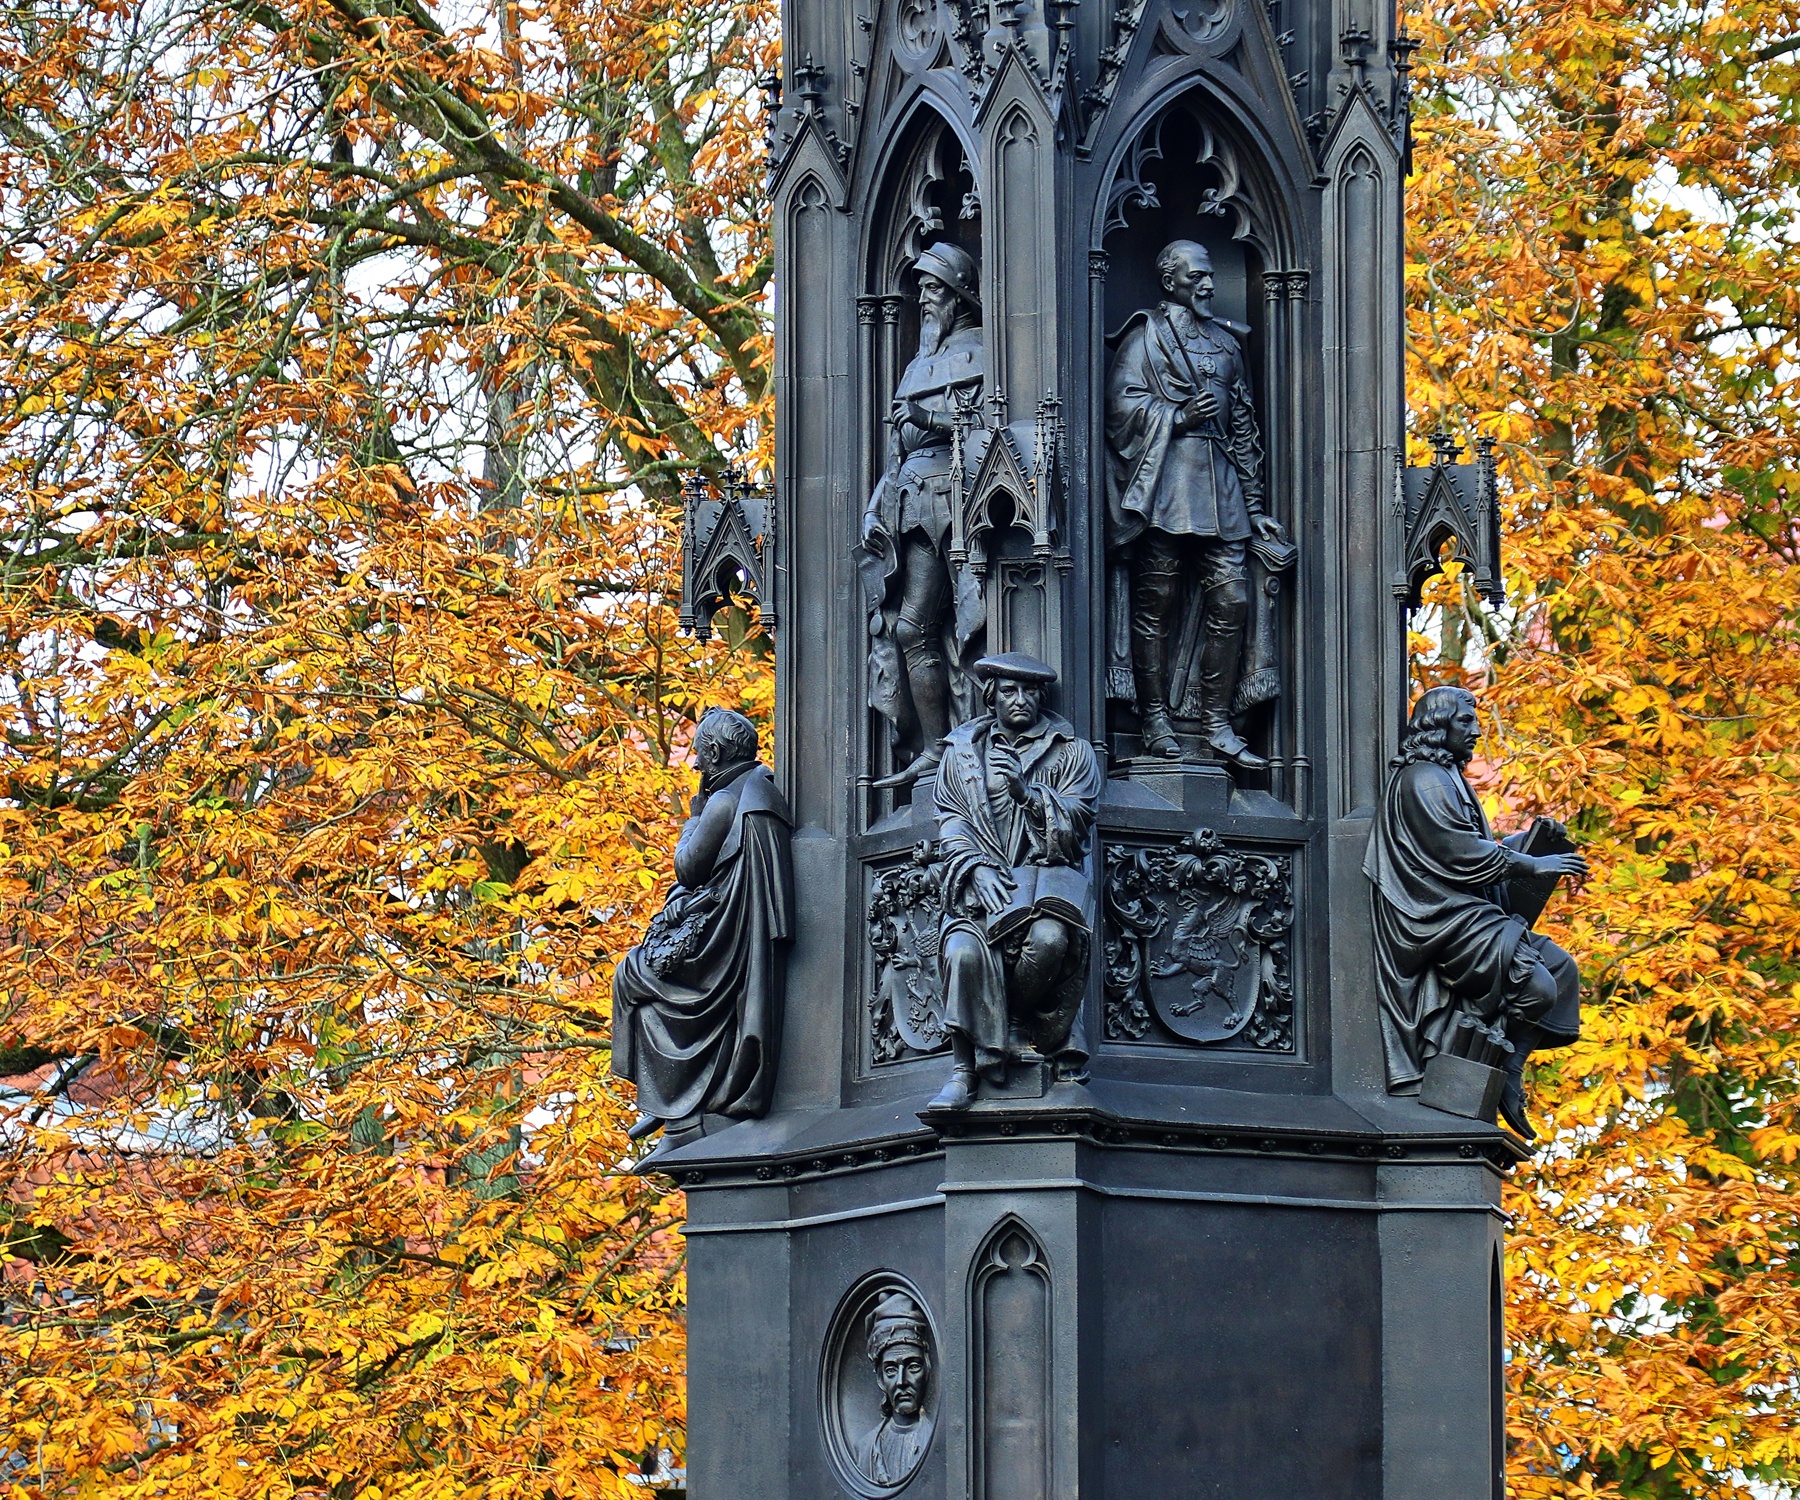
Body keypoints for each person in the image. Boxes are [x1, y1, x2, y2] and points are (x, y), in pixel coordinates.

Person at [1363, 687, 1588, 1139]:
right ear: (1437, 724)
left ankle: (1508, 1070)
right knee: (1537, 986)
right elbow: (1461, 854)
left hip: (1465, 908)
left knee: (1562, 969)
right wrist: (1535, 863)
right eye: (1465, 720)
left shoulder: (1449, 778)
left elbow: (1478, 848)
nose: (1477, 729)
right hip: (1432, 916)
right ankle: (1480, 1066)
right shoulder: (1422, 779)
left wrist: (1531, 842)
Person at [1105, 240, 1292, 769]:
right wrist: (1178, 415)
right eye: (1197, 276)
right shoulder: (1146, 338)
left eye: (1211, 275)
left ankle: (1215, 721)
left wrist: (1254, 508)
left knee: (1231, 601)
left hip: (1222, 491)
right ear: (1171, 283)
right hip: (1168, 487)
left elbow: (1244, 429)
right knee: (1154, 607)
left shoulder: (1228, 346)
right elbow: (1120, 406)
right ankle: (1154, 720)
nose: (1209, 285)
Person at [611, 708, 793, 1145]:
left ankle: (676, 1109)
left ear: (714, 752)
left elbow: (688, 869)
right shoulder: (761, 790)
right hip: (736, 928)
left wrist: (693, 817)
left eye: (698, 755)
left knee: (632, 976)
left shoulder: (724, 801)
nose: (695, 765)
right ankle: (667, 1103)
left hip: (723, 942)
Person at [929, 654, 1102, 1110]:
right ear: (992, 698)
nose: (1020, 700)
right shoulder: (963, 752)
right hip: (981, 893)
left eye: (1029, 692)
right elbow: (950, 821)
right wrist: (975, 867)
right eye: (1009, 692)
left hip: (1041, 891)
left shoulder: (1070, 751)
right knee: (964, 952)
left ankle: (1017, 1025)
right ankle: (964, 1072)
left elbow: (1080, 820)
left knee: (1049, 940)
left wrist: (1027, 794)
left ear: (1042, 697)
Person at [856, 241, 987, 791]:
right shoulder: (917, 362)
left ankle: (967, 742)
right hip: (908, 503)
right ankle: (935, 748)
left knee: (949, 623)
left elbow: (985, 422)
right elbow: (897, 447)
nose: (925, 301)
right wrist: (873, 503)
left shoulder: (981, 348)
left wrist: (925, 415)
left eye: (935, 290)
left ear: (958, 298)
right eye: (922, 290)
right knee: (908, 627)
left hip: (954, 502)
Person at [849, 1291, 936, 1487]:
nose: (901, 1381)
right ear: (880, 1378)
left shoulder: (938, 1441)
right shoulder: (866, 1448)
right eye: (890, 1370)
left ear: (928, 1369)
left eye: (913, 1366)